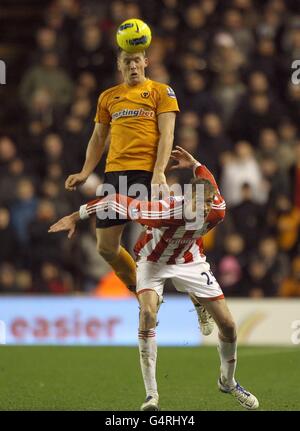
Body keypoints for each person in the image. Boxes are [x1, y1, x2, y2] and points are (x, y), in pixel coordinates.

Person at [49, 146, 259, 411]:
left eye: (206, 205)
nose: (202, 210)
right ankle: (152, 396)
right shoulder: (163, 210)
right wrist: (73, 217)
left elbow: (208, 180)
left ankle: (227, 382)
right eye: (197, 205)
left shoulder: (218, 209)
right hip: (153, 262)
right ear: (188, 201)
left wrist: (194, 162)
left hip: (189, 260)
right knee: (147, 314)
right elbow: (112, 202)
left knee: (228, 325)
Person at [64, 48, 212, 333]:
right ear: (119, 65)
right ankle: (144, 299)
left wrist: (158, 172)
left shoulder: (161, 92)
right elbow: (98, 137)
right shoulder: (108, 97)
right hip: (115, 177)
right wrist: (85, 171)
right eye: (126, 61)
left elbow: (167, 134)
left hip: (147, 174)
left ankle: (199, 298)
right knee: (106, 248)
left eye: (136, 60)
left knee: (171, 246)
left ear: (146, 62)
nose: (133, 65)